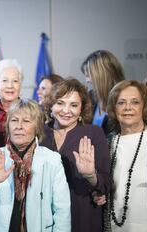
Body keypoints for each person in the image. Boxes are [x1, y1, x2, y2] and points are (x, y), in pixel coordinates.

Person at [0, 99, 71, 231]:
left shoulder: (52, 160)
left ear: (37, 127)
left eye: (26, 121)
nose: (19, 126)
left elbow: (62, 212)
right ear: (8, 125)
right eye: (14, 120)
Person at [41, 78, 111, 232]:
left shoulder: (93, 133)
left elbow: (106, 182)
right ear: (51, 105)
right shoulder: (39, 132)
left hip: (81, 213)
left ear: (82, 109)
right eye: (60, 103)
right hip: (43, 214)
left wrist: (91, 175)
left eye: (74, 105)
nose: (66, 110)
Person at [102, 80, 147, 231]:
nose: (128, 108)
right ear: (114, 107)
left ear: (144, 106)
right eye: (121, 102)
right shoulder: (107, 142)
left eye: (135, 102)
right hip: (114, 226)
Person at [81, 50, 125, 135]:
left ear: (102, 74)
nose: (87, 81)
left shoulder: (124, 98)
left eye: (88, 76)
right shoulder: (90, 97)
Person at [0, 59, 23, 150]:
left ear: (20, 85)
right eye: (4, 80)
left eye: (15, 81)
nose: (10, 86)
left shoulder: (31, 112)